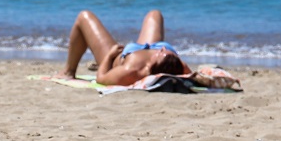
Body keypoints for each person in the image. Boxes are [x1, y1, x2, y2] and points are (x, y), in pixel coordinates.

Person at [55, 9, 191, 86]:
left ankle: (69, 71)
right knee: (154, 14)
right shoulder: (180, 66)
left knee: (83, 17)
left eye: (161, 53)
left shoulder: (130, 71)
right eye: (165, 51)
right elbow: (196, 78)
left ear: (151, 67)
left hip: (122, 55)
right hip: (147, 47)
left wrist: (109, 57)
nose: (162, 50)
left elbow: (101, 78)